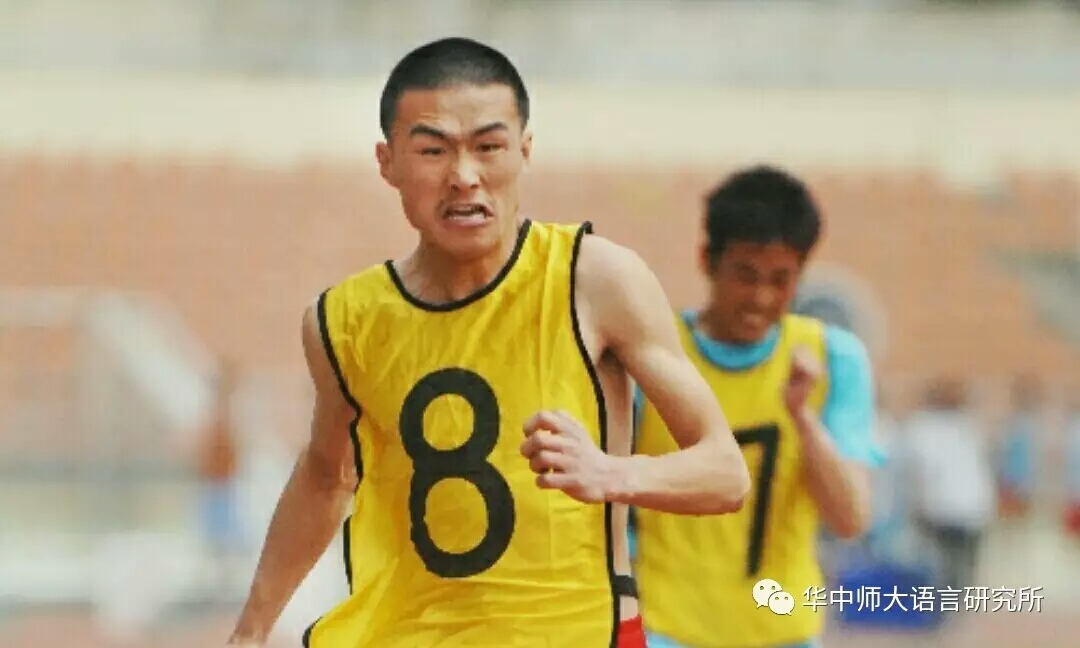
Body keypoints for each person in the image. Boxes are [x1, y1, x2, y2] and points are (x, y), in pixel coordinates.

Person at [226, 37, 751, 648]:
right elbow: (324, 478)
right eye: (433, 150)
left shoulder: (593, 279)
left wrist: (610, 473)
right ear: (387, 162)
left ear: (524, 152)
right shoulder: (343, 321)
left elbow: (725, 472)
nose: (464, 176)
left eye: (489, 147)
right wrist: (251, 630)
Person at [632, 166, 880, 648]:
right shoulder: (652, 353)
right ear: (707, 261)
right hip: (665, 626)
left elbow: (849, 518)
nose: (761, 298)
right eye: (745, 276)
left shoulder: (834, 360)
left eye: (781, 280)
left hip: (781, 629)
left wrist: (802, 418)